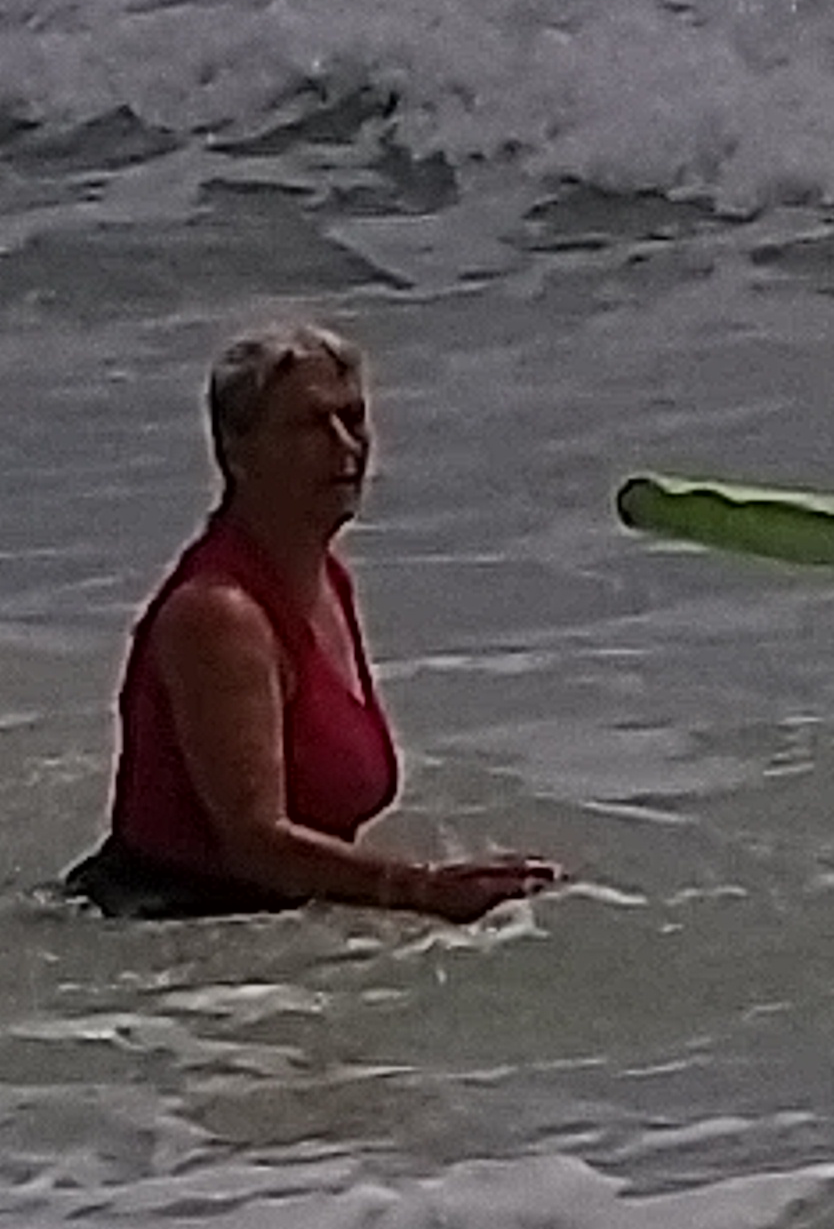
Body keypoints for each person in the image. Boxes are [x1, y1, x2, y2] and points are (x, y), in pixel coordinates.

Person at [69, 322, 563, 923]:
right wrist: (424, 889)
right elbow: (256, 845)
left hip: (259, 925)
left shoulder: (327, 577)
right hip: (161, 930)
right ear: (235, 452)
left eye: (353, 418)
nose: (345, 445)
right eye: (309, 425)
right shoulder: (219, 614)